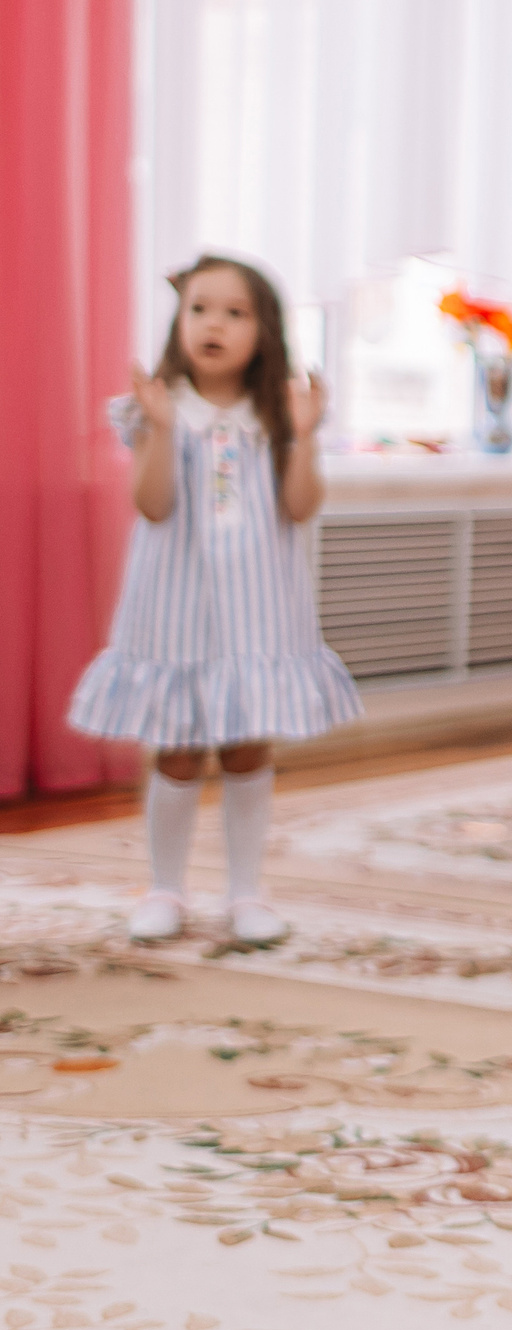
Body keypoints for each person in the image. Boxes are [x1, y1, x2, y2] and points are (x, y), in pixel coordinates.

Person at [69, 254, 360, 947]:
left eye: (235, 312)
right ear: (180, 320)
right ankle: (165, 887)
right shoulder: (159, 408)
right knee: (176, 749)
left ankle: (246, 893)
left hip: (259, 610)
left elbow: (300, 505)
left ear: (265, 331)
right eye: (200, 308)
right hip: (175, 608)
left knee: (246, 750)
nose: (214, 324)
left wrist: (305, 437)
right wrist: (163, 429)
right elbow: (153, 505)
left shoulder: (277, 414)